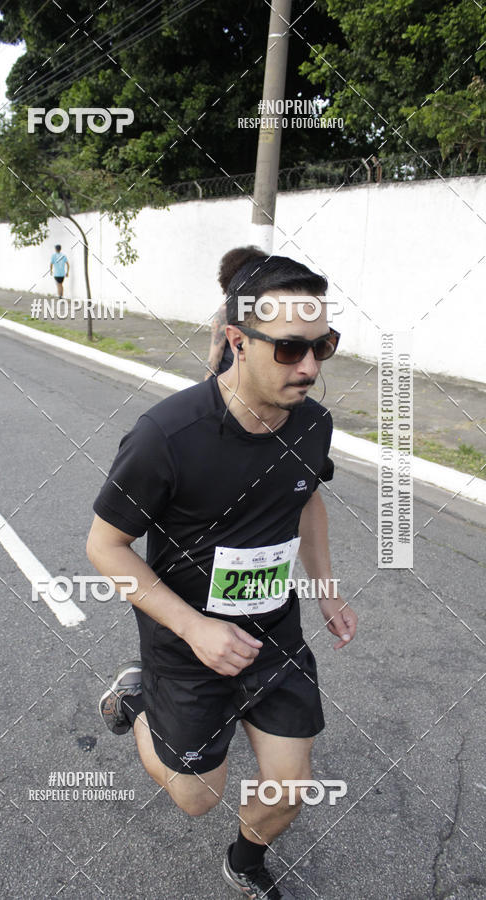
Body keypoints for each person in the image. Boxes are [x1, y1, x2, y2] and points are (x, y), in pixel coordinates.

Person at [87, 253, 358, 900]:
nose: (312, 368)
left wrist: (325, 588)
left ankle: (245, 861)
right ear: (236, 341)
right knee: (196, 797)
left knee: (290, 784)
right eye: (292, 349)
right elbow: (105, 546)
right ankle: (142, 702)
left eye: (324, 345)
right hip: (184, 641)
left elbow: (307, 499)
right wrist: (194, 627)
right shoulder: (167, 436)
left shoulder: (314, 424)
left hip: (272, 631)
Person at [205, 245, 266, 379]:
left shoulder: (266, 309)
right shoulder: (225, 311)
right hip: (230, 384)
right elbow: (214, 360)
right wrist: (207, 394)